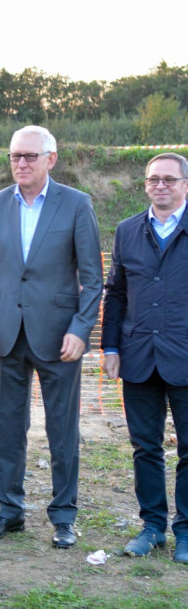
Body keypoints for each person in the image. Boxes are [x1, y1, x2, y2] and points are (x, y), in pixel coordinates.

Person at [0, 125, 103, 549]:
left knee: (62, 432)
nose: (20, 164)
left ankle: (63, 518)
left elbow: (94, 279)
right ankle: (8, 512)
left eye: (29, 156)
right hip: (7, 335)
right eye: (14, 157)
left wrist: (81, 330)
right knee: (9, 428)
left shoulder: (77, 205)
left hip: (60, 339)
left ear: (51, 158)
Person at [102, 152, 188, 563]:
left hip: (185, 357)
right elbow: (116, 293)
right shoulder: (126, 231)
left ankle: (186, 532)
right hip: (138, 358)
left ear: (185, 185)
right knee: (145, 448)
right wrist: (111, 347)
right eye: (154, 179)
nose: (161, 186)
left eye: (169, 180)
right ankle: (153, 526)